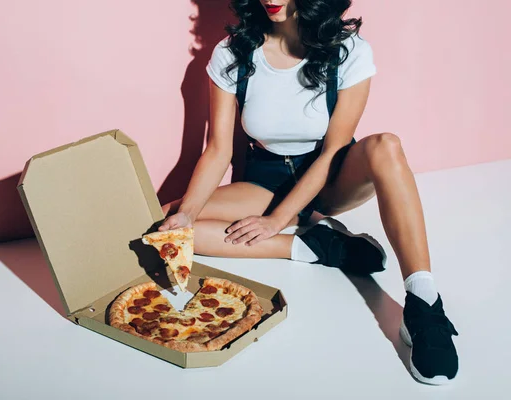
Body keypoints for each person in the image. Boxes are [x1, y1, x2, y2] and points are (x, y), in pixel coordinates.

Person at [160, 0, 458, 384]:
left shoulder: (349, 50)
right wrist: (186, 212)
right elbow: (217, 149)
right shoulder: (232, 53)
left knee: (386, 145)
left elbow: (334, 149)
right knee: (172, 226)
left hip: (331, 175)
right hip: (266, 178)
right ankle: (321, 247)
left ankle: (424, 302)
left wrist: (277, 220)